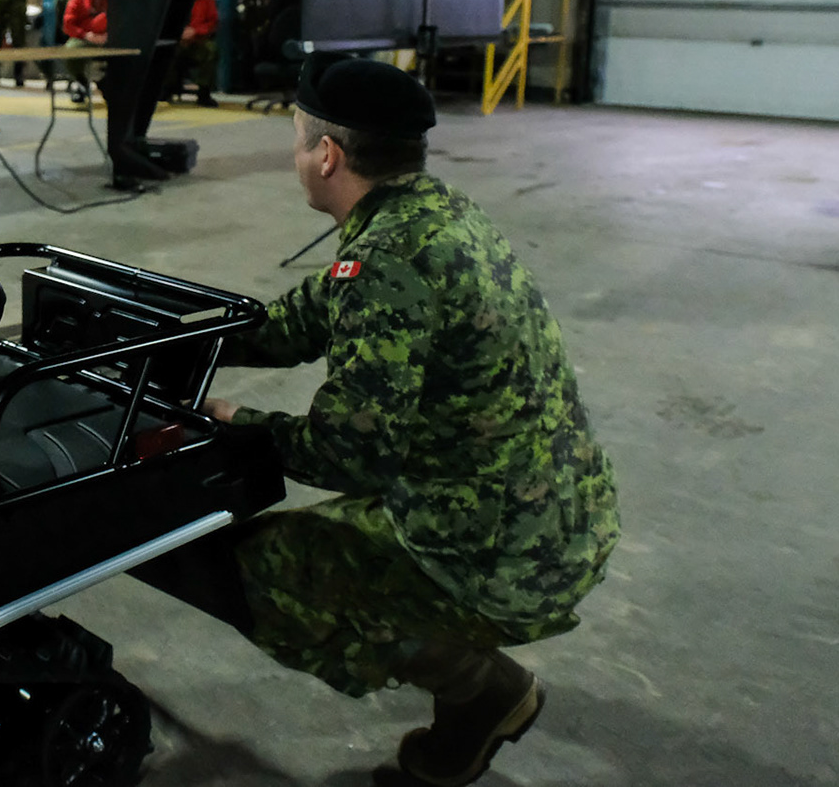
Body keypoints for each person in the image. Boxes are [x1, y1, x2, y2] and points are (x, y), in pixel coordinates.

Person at [199, 59, 619, 787]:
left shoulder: (389, 260)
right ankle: (471, 710)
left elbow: (349, 453)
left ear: (327, 156)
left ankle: (481, 687)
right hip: (558, 507)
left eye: (298, 140)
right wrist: (171, 339)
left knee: (254, 572)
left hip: (501, 547)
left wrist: (238, 422)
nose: (295, 156)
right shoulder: (431, 214)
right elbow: (300, 320)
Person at [59, 0, 108, 104]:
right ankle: (80, 83)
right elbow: (68, 25)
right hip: (86, 39)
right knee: (71, 51)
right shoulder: (77, 1)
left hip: (111, 38)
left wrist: (108, 35)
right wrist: (86, 35)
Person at [174, 0, 221, 108]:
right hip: (177, 39)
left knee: (211, 50)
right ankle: (166, 88)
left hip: (198, 40)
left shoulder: (206, 0)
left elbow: (212, 23)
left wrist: (196, 32)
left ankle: (204, 91)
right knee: (166, 49)